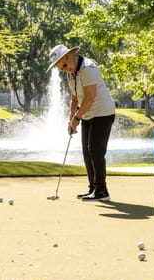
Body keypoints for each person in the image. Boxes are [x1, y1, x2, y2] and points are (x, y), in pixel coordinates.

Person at [47, 44, 116, 201]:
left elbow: (90, 98)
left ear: (69, 56)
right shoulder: (71, 74)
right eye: (61, 69)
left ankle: (102, 191)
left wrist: (77, 118)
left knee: (95, 151)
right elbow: (75, 99)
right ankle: (93, 188)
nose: (64, 69)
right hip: (87, 114)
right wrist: (71, 119)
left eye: (64, 65)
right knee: (86, 151)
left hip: (103, 113)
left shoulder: (87, 69)